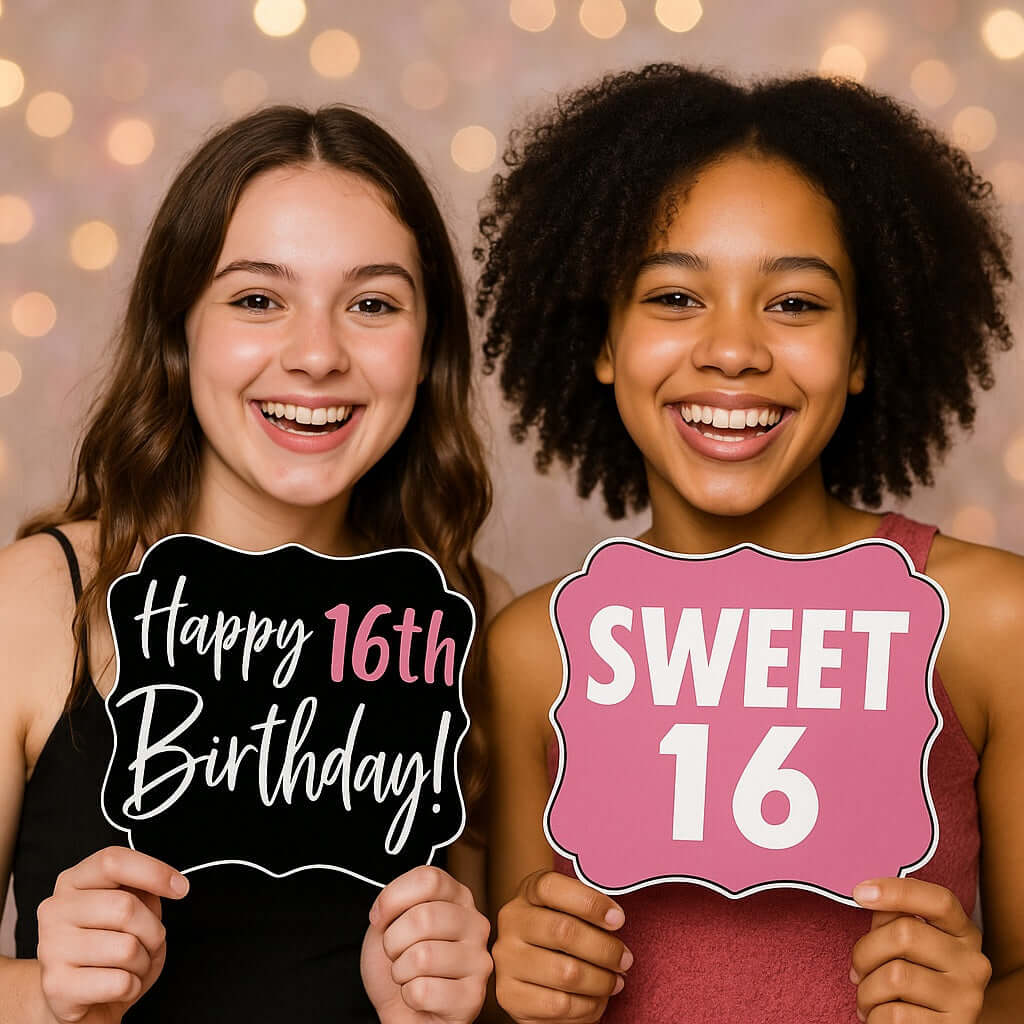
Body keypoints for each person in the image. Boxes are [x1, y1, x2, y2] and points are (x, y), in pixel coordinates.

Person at [476, 65, 1022, 1022]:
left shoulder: (988, 624)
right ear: (602, 343)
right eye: (673, 297)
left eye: (795, 303)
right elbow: (518, 994)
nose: (733, 350)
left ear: (861, 352)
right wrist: (516, 988)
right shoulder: (534, 651)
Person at [0, 104, 498, 1023]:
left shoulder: (470, 618)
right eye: (258, 299)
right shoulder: (35, 599)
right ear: (179, 327)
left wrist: (453, 1004)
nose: (316, 356)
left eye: (373, 304)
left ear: (428, 347)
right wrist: (46, 998)